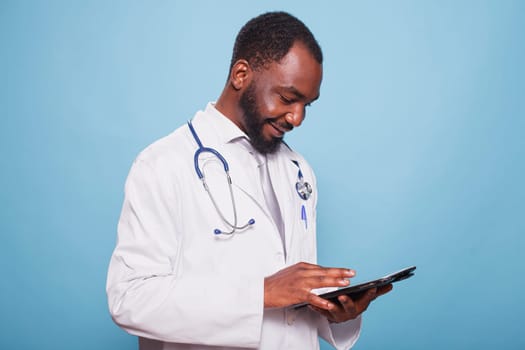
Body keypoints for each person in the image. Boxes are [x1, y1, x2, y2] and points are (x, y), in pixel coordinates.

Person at [106, 11, 392, 350]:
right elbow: (130, 298)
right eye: (288, 98)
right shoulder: (163, 164)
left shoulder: (298, 169)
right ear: (241, 74)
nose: (297, 118)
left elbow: (292, 305)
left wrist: (334, 312)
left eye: (307, 105)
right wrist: (259, 294)